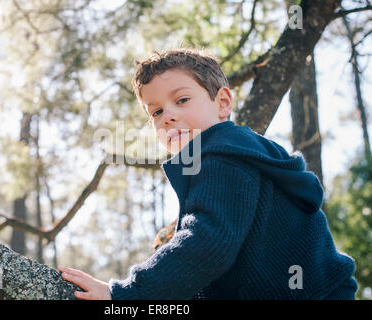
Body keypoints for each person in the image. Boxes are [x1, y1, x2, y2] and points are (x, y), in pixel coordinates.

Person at [58, 48, 358, 300]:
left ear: (223, 103)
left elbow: (207, 243)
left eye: (182, 100)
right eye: (156, 112)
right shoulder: (232, 156)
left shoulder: (224, 154)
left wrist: (124, 295)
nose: (168, 116)